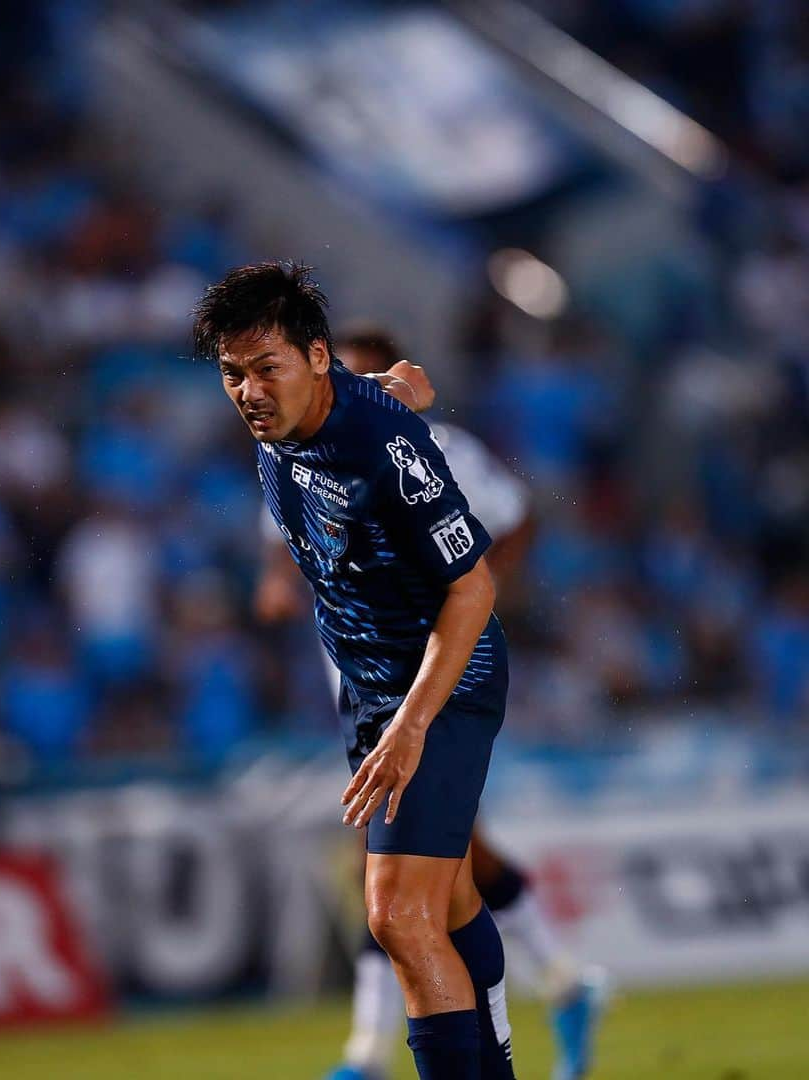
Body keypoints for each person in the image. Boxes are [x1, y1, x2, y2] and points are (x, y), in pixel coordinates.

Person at [255, 326, 607, 1080]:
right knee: (448, 878)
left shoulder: (430, 447)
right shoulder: (288, 444)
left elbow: (510, 527)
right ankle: (565, 986)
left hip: (431, 685)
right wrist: (281, 584)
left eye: (353, 383)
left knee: (393, 888)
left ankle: (367, 1054)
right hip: (362, 693)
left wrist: (470, 594)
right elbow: (286, 550)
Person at [194, 262, 516, 1080]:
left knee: (397, 918)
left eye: (267, 368)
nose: (249, 391)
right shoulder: (305, 411)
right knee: (444, 901)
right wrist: (394, 382)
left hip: (443, 680)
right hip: (372, 688)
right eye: (233, 373)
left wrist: (411, 727)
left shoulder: (386, 451)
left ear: (313, 357)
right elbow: (378, 385)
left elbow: (473, 588)